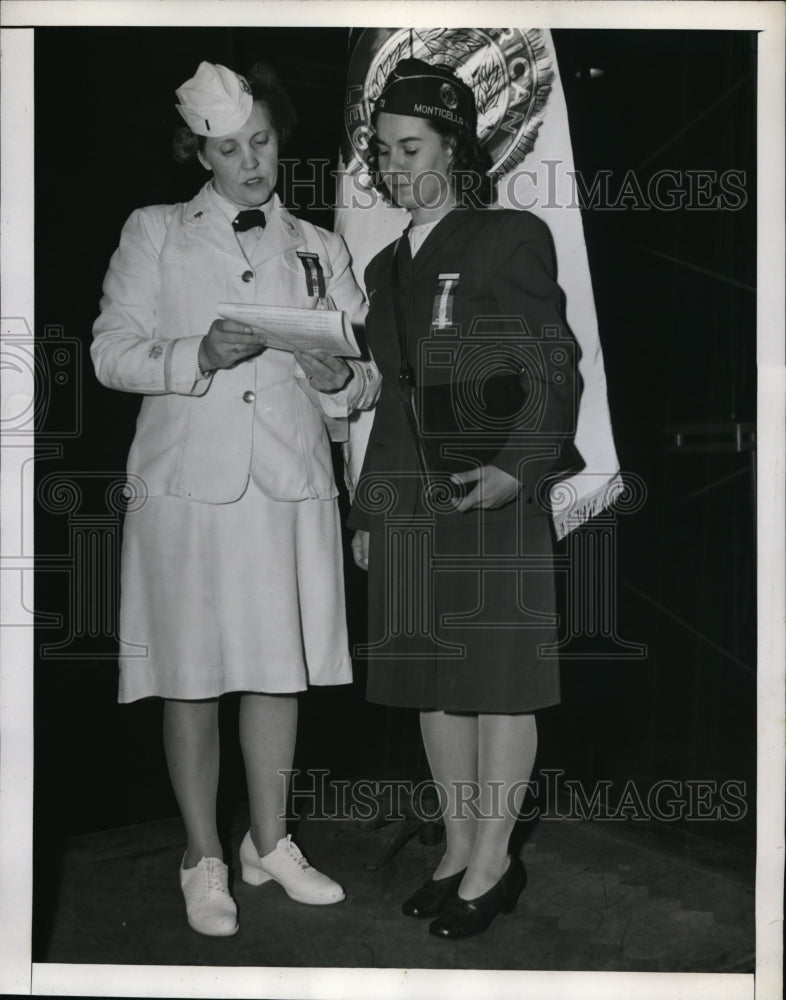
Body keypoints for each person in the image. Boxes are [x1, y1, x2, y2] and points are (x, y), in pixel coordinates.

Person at [92, 60, 378, 937]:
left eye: (260, 142)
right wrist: (195, 356)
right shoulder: (155, 233)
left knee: (273, 672)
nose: (250, 161)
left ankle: (268, 840)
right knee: (190, 678)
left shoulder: (321, 246)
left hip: (286, 487)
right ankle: (199, 855)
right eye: (228, 148)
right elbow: (111, 352)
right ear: (199, 154)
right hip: (187, 489)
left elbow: (363, 384)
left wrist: (340, 376)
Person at [349, 58, 583, 939]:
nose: (394, 167)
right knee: (429, 683)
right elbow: (394, 400)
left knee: (497, 684)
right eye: (382, 152)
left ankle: (494, 861)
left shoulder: (508, 234)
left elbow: (552, 361)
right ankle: (453, 846)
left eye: (412, 148)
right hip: (409, 496)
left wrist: (521, 468)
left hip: (489, 486)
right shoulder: (382, 266)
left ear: (455, 147)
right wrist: (371, 510)